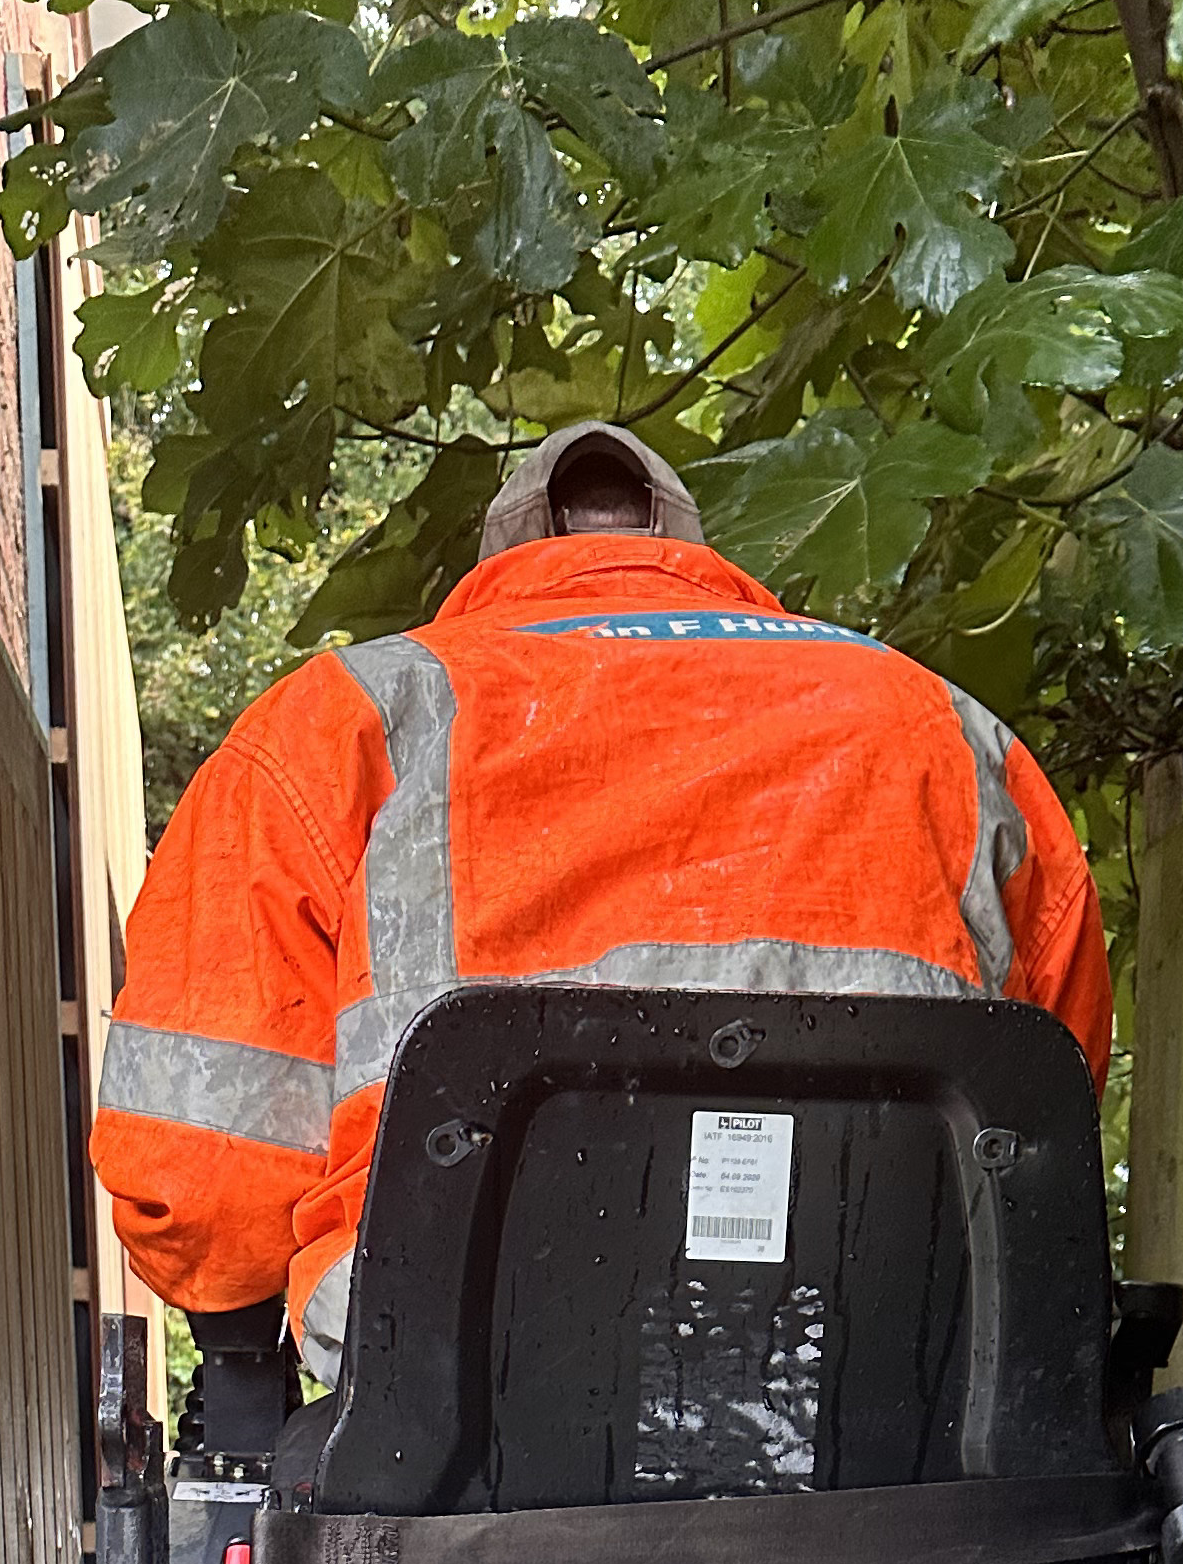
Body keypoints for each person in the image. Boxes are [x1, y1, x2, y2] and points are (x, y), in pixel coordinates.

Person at [92, 419, 1114, 1386]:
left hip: (455, 1419)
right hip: (898, 1389)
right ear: (692, 553)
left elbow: (196, 1184)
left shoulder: (342, 728)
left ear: (500, 564)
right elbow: (1040, 1120)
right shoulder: (946, 733)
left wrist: (240, 1334)